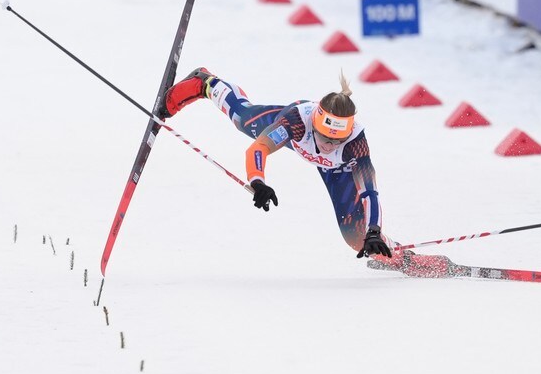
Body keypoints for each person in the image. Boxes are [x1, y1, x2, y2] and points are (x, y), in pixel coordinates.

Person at [158, 68, 421, 272]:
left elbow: (369, 193)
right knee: (242, 118)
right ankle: (206, 83)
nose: (328, 146)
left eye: (336, 141)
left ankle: (400, 258)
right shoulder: (296, 122)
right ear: (314, 125)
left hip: (339, 171)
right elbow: (258, 149)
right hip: (294, 138)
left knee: (357, 239)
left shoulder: (355, 144)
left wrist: (374, 230)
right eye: (324, 138)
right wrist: (258, 182)